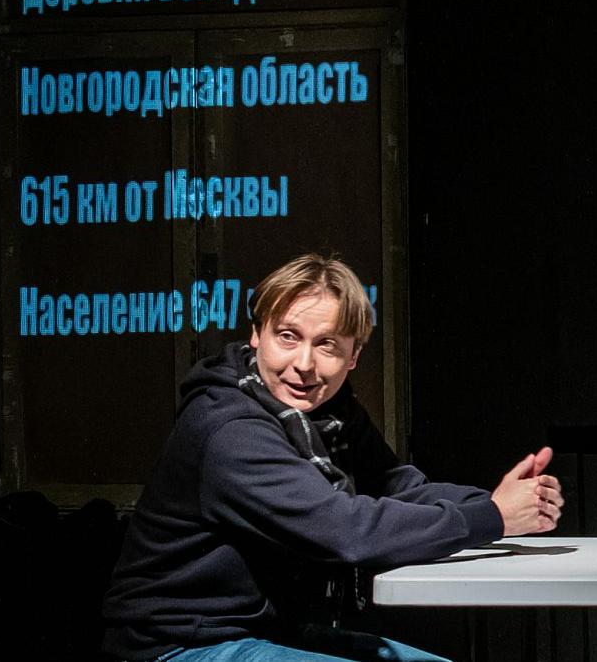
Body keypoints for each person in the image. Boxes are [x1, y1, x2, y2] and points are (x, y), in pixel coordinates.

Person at [103, 254, 563, 661]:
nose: (304, 364)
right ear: (257, 335)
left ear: (354, 355)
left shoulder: (328, 410)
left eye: (327, 345)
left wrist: (503, 502)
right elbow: (347, 530)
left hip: (270, 630)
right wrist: (494, 517)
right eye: (288, 336)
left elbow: (397, 486)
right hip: (182, 645)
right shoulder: (230, 429)